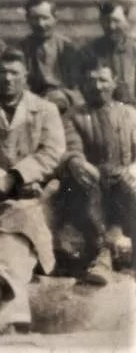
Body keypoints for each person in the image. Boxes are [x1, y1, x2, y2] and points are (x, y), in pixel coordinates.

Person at [0, 47, 65, 334]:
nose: (8, 78)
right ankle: (12, 314)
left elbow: (52, 152)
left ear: (26, 74)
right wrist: (0, 181)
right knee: (15, 215)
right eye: (2, 72)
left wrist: (16, 177)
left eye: (14, 72)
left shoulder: (46, 110)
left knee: (22, 213)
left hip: (39, 197)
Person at [59, 56, 136, 285]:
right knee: (85, 187)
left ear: (114, 82)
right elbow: (72, 147)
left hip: (125, 180)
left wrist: (132, 170)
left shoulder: (130, 114)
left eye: (103, 80)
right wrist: (77, 162)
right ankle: (102, 254)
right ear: (83, 84)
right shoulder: (74, 115)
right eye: (91, 81)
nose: (97, 86)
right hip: (93, 182)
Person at [20, 0, 82, 113]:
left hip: (63, 102)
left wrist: (61, 96)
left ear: (55, 18)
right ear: (27, 19)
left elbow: (75, 85)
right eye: (35, 18)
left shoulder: (67, 48)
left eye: (45, 18)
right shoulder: (22, 48)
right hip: (31, 102)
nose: (40, 24)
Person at [81, 0, 136, 105]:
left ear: (127, 21)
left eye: (116, 21)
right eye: (106, 21)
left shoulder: (134, 49)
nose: (111, 26)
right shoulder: (90, 51)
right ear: (101, 22)